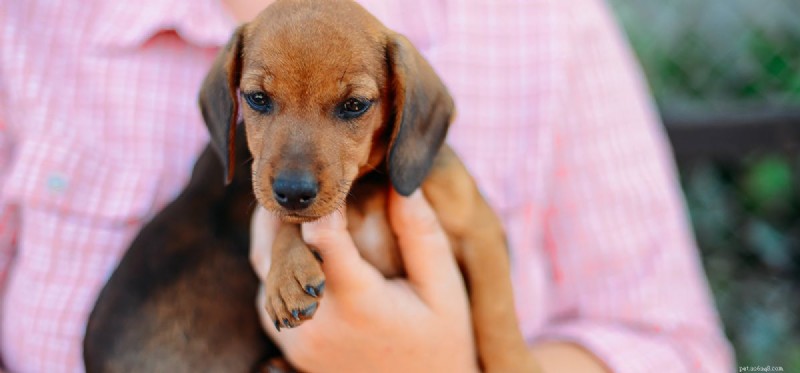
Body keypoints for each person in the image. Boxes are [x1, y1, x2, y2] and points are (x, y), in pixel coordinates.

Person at [0, 0, 733, 371]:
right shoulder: (30, 25)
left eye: (351, 106)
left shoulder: (541, 23)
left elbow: (675, 347)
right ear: (232, 100)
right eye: (259, 101)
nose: (294, 164)